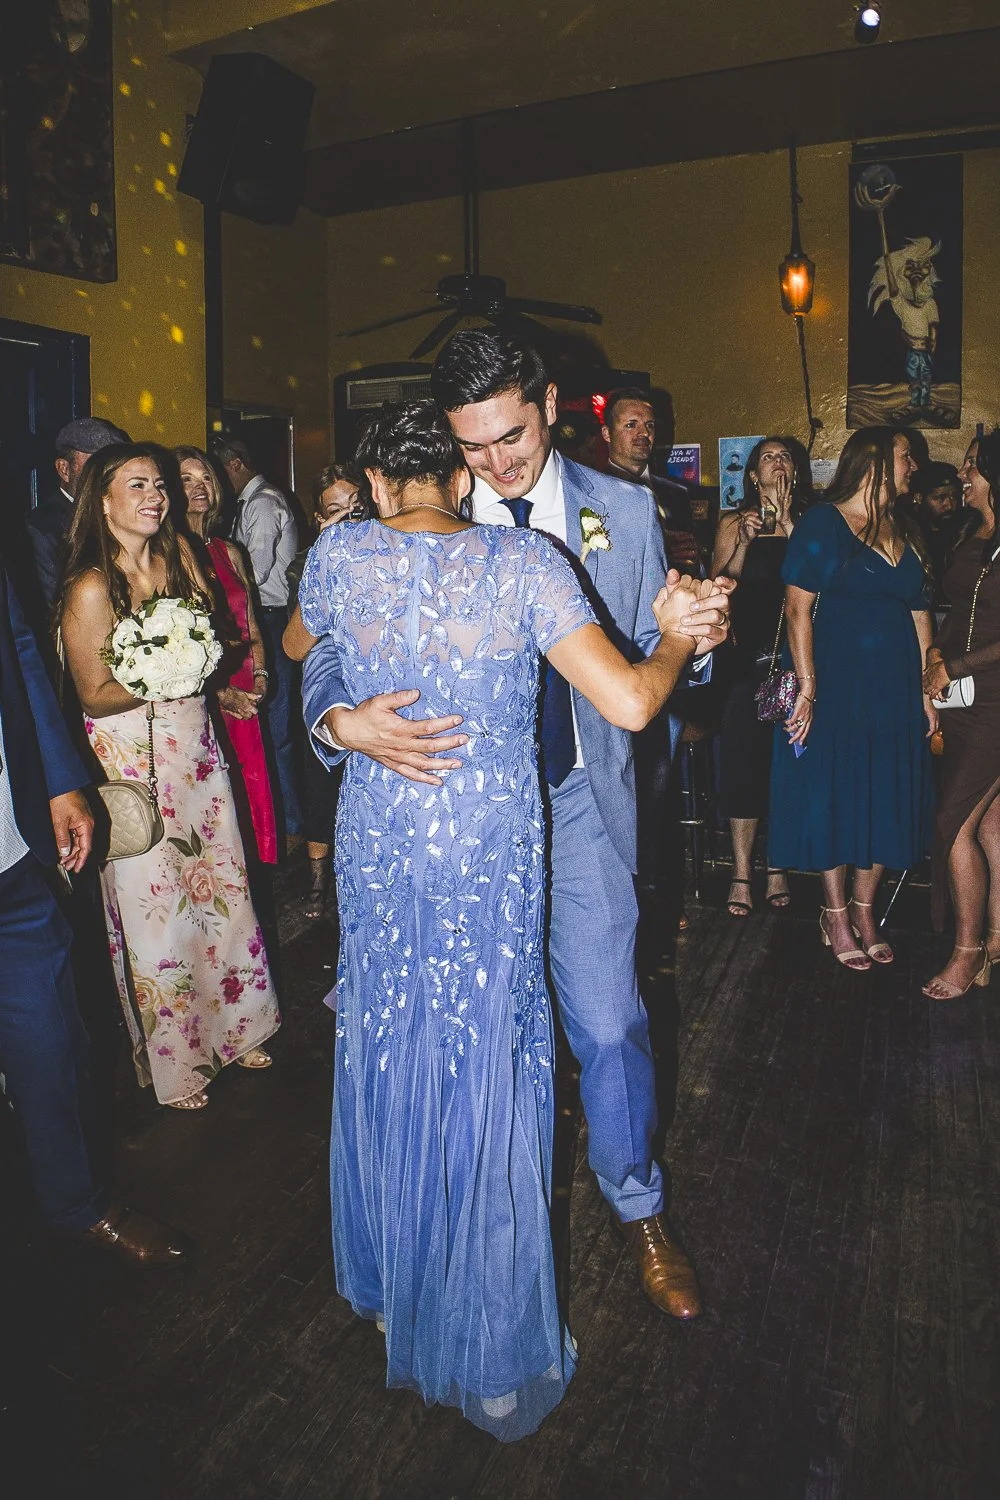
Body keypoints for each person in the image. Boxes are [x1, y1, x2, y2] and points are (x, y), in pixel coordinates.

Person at [285, 399, 727, 1440]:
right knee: (483, 1061)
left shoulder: (338, 555)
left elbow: (304, 640)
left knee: (392, 1045)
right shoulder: (523, 562)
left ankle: (394, 1282)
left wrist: (345, 700)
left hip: (385, 842)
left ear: (376, 483)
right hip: (485, 848)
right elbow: (632, 702)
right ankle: (487, 1345)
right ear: (458, 476)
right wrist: (673, 639)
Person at [59, 444, 281, 1110]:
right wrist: (167, 673)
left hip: (196, 752)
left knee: (222, 893)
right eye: (138, 485)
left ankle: (240, 1029)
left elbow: (211, 636)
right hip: (132, 760)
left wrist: (204, 667)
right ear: (103, 501)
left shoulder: (179, 555)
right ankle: (180, 1061)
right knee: (158, 911)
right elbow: (93, 694)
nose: (156, 495)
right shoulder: (90, 586)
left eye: (159, 484)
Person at [0, 554, 187, 1263]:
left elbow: (17, 650)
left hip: (9, 854)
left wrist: (58, 779)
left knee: (53, 1042)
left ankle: (76, 1203)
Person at [768, 427, 936, 969]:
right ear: (876, 460)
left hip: (894, 689)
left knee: (886, 793)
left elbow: (920, 611)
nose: (914, 466)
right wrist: (808, 687)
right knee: (836, 795)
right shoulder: (825, 522)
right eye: (907, 456)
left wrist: (926, 687)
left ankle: (866, 911)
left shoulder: (905, 526)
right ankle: (835, 915)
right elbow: (796, 608)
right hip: (837, 686)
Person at [711, 436, 812, 916]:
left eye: (784, 456)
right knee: (743, 763)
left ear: (797, 470)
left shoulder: (812, 523)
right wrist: (743, 545)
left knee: (786, 767)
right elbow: (718, 589)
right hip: (745, 661)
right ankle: (740, 872)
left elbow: (821, 584)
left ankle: (778, 867)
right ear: (752, 475)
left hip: (796, 660)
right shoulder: (733, 522)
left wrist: (791, 526)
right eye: (767, 457)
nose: (777, 462)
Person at [922, 430, 1000, 999]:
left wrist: (956, 666)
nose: (961, 475)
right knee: (990, 823)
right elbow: (959, 610)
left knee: (952, 827)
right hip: (964, 699)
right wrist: (935, 653)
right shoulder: (974, 533)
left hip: (994, 701)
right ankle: (994, 939)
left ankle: (967, 951)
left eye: (971, 466)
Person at [176, 445, 278, 866]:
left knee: (248, 792)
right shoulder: (166, 555)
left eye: (205, 477)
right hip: (202, 696)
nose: (199, 486)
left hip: (243, 692)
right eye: (185, 479)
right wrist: (220, 693)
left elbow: (251, 624)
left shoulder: (229, 551)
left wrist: (262, 678)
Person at [210, 433, 302, 849]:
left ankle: (288, 826)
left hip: (270, 617)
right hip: (261, 616)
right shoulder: (253, 502)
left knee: (274, 730)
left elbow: (259, 571)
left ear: (234, 464)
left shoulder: (262, 502)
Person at [286, 463, 364, 917]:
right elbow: (300, 640)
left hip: (372, 681)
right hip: (324, 682)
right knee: (319, 783)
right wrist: (329, 554)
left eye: (355, 505)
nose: (348, 516)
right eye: (336, 510)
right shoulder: (306, 563)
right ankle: (317, 883)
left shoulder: (385, 547)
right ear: (319, 518)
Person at [25, 417, 132, 610]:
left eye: (113, 466)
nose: (106, 474)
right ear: (64, 469)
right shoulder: (41, 529)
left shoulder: (126, 517)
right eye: (96, 465)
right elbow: (51, 608)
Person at [601, 388, 700, 571]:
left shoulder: (677, 494)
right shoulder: (593, 492)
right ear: (607, 433)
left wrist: (694, 559)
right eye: (631, 425)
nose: (644, 433)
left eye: (650, 425)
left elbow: (691, 560)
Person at [909, 461, 965, 611]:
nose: (949, 505)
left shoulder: (965, 528)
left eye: (954, 497)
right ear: (919, 498)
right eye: (940, 498)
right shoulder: (906, 531)